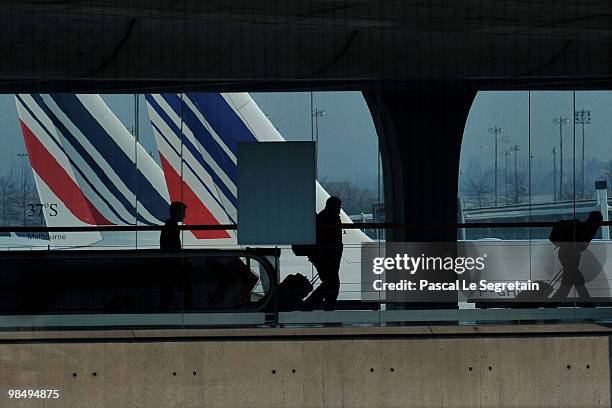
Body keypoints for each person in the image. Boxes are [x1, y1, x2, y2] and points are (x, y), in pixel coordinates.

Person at [551, 211, 603, 301]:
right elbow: (580, 246)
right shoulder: (589, 229)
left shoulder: (583, 227)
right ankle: (587, 303)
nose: (599, 224)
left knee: (569, 282)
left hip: (566, 254)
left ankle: (553, 304)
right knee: (576, 280)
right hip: (571, 255)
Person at [303, 196, 344, 310]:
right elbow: (333, 238)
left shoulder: (322, 216)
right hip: (329, 255)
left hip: (322, 255)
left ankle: (317, 303)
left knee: (329, 281)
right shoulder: (332, 218)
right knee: (332, 282)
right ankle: (318, 303)